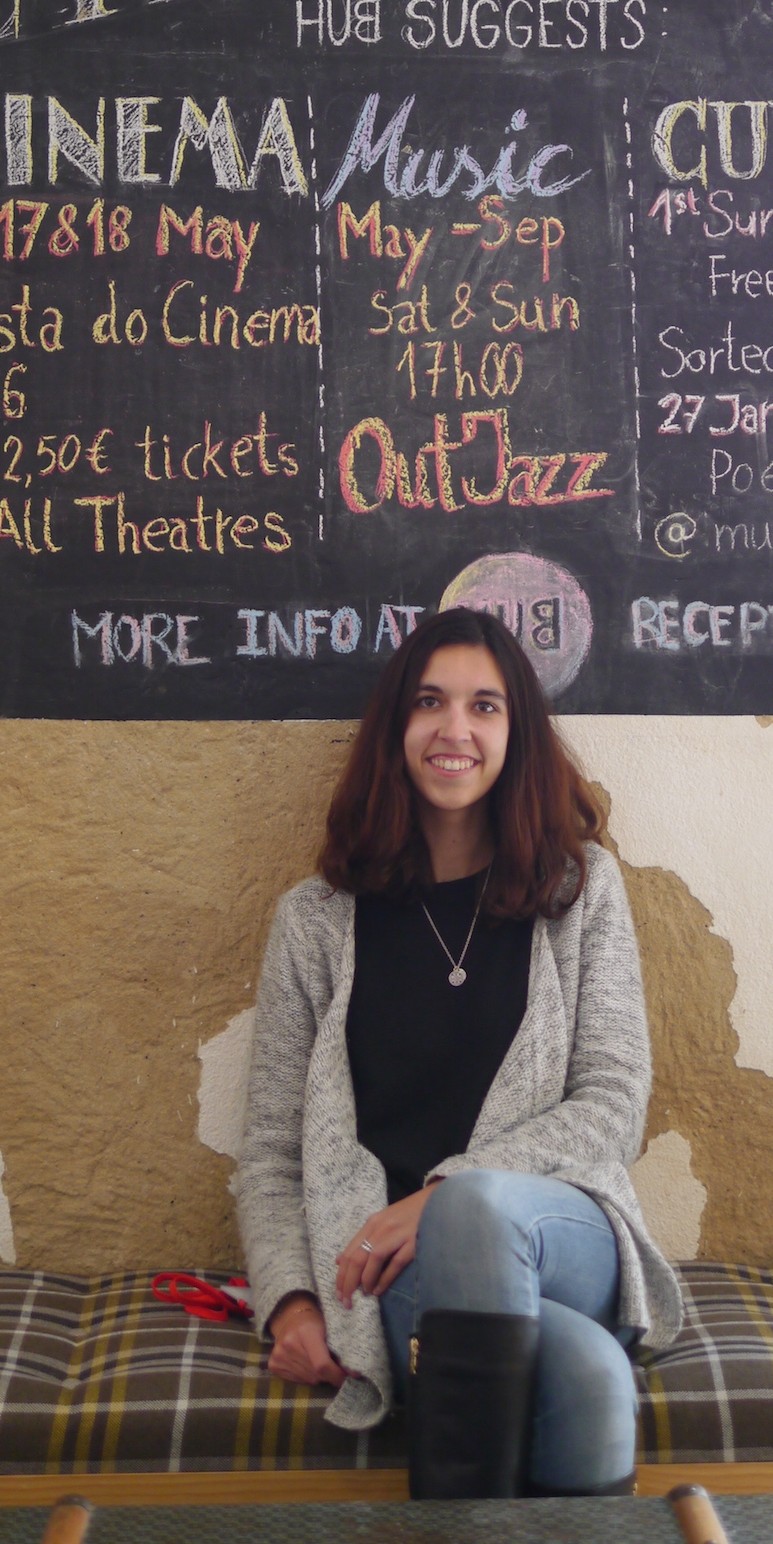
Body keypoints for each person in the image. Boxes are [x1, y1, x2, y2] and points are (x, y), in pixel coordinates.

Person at [234, 607, 683, 1497]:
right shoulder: (314, 923)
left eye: (485, 707)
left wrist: (444, 1195)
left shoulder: (581, 892)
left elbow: (613, 1103)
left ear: (517, 734)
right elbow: (273, 1153)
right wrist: (289, 1300)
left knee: (477, 1210)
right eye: (430, 702)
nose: (455, 729)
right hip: (399, 1269)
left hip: (564, 1235)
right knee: (590, 1376)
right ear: (395, 728)